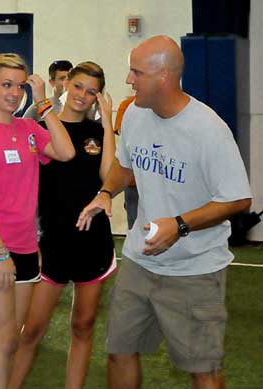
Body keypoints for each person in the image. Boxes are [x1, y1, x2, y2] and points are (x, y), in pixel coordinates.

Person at [77, 35, 252, 389]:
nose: (128, 80)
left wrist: (180, 225)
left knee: (203, 369)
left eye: (136, 72)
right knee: (119, 350)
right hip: (140, 262)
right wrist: (105, 192)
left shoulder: (209, 130)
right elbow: (125, 166)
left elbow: (238, 199)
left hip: (195, 269)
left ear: (163, 77)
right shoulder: (134, 115)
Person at [9, 61, 117, 389]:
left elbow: (107, 174)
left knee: (83, 326)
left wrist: (108, 121)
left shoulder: (98, 133)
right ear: (66, 83)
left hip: (92, 242)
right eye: (79, 86)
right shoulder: (39, 127)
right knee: (32, 330)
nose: (83, 95)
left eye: (92, 91)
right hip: (51, 242)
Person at [0, 53, 75, 389]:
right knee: (1, 341)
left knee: (11, 342)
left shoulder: (29, 128)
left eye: (20, 86)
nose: (14, 92)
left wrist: (44, 103)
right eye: (6, 84)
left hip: (27, 248)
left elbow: (66, 152)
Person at [114, 95, 139, 230]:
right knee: (134, 225)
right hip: (133, 181)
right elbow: (122, 134)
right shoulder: (127, 105)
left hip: (160, 181)